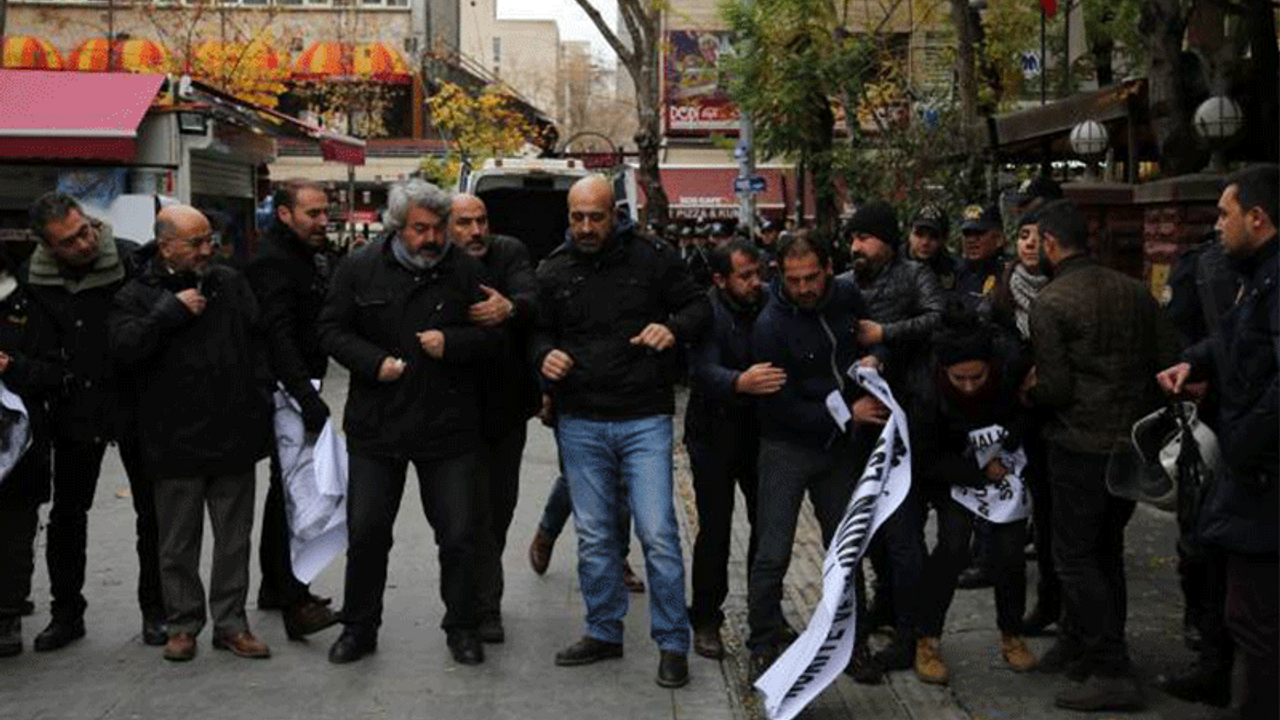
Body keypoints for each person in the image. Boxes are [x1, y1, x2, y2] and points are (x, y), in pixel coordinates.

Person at [532, 175, 709, 688]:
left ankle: (672, 642)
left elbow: (699, 308)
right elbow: (537, 332)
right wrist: (544, 357)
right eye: (577, 217)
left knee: (657, 533)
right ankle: (604, 631)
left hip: (644, 419)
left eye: (596, 217)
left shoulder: (654, 259)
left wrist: (672, 328)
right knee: (593, 537)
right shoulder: (553, 269)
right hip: (581, 420)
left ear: (616, 214)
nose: (586, 227)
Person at [318, 179, 500, 666]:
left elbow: (492, 340)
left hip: (449, 427)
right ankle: (359, 627)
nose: (432, 238)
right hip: (377, 428)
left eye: (439, 228)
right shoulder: (359, 267)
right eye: (421, 229)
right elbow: (331, 330)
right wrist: (373, 362)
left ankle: (462, 626)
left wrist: (454, 342)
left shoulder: (465, 270)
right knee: (368, 531)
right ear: (398, 227)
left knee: (459, 534)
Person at [1026, 199, 1177, 712]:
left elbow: (1056, 387)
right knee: (1105, 550)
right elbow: (1165, 366)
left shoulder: (1051, 301)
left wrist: (1028, 392)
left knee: (1074, 556)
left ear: (1049, 243)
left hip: (1077, 444)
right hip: (1129, 444)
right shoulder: (1136, 292)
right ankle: (1086, 645)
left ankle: (1109, 664)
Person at [110, 205, 274, 662]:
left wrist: (258, 402)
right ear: (166, 246)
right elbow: (123, 349)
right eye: (196, 243)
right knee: (177, 542)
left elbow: (258, 340)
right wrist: (168, 312)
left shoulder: (229, 283)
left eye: (210, 240)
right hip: (172, 438)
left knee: (234, 539)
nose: (208, 250)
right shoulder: (136, 294)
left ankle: (232, 623)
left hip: (233, 433)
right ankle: (183, 624)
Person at [1157, 164, 1278, 720]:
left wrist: (1244, 441)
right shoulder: (1257, 276)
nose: (1218, 225)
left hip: (1263, 478)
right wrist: (1193, 361)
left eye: (1226, 214)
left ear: (1258, 217)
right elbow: (1232, 337)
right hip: (1250, 473)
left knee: (1255, 617)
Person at [23, 193, 162, 650]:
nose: (85, 243)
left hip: (134, 401)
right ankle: (66, 613)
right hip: (73, 407)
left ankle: (156, 610)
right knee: (67, 514)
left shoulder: (128, 259)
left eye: (86, 230)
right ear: (47, 246)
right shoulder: (33, 278)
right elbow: (32, 346)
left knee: (153, 513)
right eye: (69, 241)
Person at [747, 232, 879, 677]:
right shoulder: (770, 326)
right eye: (793, 280)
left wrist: (873, 358)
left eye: (811, 278)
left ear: (827, 269)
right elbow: (780, 406)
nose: (803, 288)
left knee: (845, 550)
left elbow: (868, 335)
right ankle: (763, 642)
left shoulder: (845, 294)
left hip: (839, 451)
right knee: (773, 552)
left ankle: (852, 642)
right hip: (787, 446)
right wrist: (847, 415)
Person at [836, 200, 944, 673]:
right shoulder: (844, 284)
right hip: (858, 424)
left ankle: (909, 632)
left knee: (903, 532)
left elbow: (939, 319)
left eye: (864, 238)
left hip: (907, 422)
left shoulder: (915, 276)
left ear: (886, 240)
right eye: (852, 239)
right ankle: (884, 603)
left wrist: (886, 334)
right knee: (869, 529)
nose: (856, 247)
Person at [912, 313, 1037, 685]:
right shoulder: (926, 392)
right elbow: (926, 460)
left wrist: (1010, 441)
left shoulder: (1010, 369)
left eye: (977, 377)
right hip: (955, 474)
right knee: (952, 547)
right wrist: (978, 472)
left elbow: (1028, 416)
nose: (968, 386)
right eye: (959, 378)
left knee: (1011, 551)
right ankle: (928, 638)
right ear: (944, 372)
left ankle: (1012, 634)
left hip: (1005, 470)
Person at [244, 179, 339, 640]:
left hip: (297, 383)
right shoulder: (273, 262)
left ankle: (277, 587)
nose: (324, 221)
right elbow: (278, 335)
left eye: (325, 212)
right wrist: (306, 397)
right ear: (285, 214)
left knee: (282, 493)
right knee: (297, 494)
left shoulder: (301, 256)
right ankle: (294, 601)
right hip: (285, 389)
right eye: (313, 214)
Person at [448, 193, 540, 644]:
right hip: (451, 411)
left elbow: (531, 298)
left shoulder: (510, 252)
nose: (475, 231)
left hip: (505, 409)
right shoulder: (438, 261)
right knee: (463, 516)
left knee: (497, 511)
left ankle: (484, 600)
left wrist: (511, 308)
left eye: (481, 221)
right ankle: (475, 606)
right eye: (464, 223)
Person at [685, 239, 772, 660]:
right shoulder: (705, 310)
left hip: (761, 434)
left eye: (759, 272)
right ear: (721, 280)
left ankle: (765, 613)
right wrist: (738, 383)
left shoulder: (770, 302)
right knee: (715, 531)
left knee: (768, 527)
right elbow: (701, 370)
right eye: (746, 276)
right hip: (712, 437)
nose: (756, 282)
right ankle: (705, 618)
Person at [990, 209, 1057, 636]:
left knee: (1053, 518)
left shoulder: (1064, 288)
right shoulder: (1001, 292)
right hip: (1016, 416)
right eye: (1023, 235)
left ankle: (1053, 599)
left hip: (1056, 413)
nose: (1029, 244)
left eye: (1038, 235)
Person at [0, 251, 62, 657]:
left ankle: (7, 612)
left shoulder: (29, 305)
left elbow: (54, 373)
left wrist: (11, 365)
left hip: (18, 447)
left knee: (13, 531)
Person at [955, 203, 1006, 315]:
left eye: (979, 233)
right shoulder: (954, 272)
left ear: (998, 239)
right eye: (967, 234)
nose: (971, 240)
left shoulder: (1009, 274)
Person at [907, 205, 956, 292]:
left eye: (933, 236)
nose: (925, 242)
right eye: (919, 234)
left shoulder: (953, 270)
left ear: (944, 239)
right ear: (910, 234)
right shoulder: (892, 265)